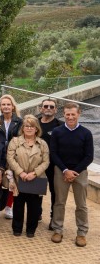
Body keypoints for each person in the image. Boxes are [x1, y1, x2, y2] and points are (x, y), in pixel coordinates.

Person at [49, 103, 93, 247]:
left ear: (78, 114)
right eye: (67, 114)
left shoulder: (86, 133)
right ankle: (58, 230)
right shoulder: (57, 131)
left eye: (73, 114)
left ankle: (81, 233)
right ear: (64, 114)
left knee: (81, 204)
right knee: (59, 202)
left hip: (80, 172)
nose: (70, 117)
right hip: (61, 171)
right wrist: (65, 170)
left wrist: (75, 172)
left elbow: (89, 156)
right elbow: (53, 153)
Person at [7, 115, 50, 238]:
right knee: (18, 205)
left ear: (36, 129)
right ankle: (17, 228)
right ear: (23, 128)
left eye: (32, 126)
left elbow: (46, 162)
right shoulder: (15, 141)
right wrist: (21, 172)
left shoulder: (42, 144)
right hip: (19, 178)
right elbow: (10, 158)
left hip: (36, 179)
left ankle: (31, 229)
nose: (29, 128)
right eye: (27, 126)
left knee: (34, 206)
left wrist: (34, 173)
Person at [0, 94, 23, 220]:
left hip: (14, 155)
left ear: (12, 106)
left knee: (12, 181)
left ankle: (9, 206)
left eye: (8, 104)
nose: (6, 107)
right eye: (3, 104)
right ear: (0, 107)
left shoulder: (19, 121)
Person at [38, 98, 62, 226]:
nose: (48, 108)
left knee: (55, 191)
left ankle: (54, 218)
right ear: (41, 108)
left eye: (51, 107)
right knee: (37, 190)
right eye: (46, 106)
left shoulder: (60, 126)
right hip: (37, 164)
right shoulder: (35, 124)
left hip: (54, 164)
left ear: (56, 110)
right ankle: (37, 213)